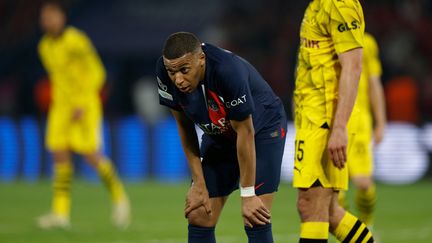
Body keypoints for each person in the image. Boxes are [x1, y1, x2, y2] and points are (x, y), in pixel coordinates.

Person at [156, 32, 287, 243]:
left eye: (184, 70)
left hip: (262, 130)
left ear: (201, 59)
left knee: (255, 216)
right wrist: (198, 183)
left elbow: (245, 132)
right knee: (199, 213)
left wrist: (248, 194)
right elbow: (184, 125)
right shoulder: (165, 71)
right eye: (172, 72)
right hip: (219, 133)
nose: (178, 79)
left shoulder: (227, 71)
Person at [37, 1, 130, 229]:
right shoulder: (44, 47)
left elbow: (97, 72)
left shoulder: (76, 40)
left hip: (84, 105)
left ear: (62, 17)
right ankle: (60, 213)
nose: (48, 20)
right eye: (45, 16)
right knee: (59, 154)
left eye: (52, 15)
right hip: (60, 108)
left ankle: (120, 199)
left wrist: (81, 102)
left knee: (90, 155)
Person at [293, 0, 375, 242]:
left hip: (325, 119)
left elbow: (353, 66)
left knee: (311, 206)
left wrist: (339, 128)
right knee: (329, 212)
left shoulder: (341, 5)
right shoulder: (317, 5)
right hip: (310, 117)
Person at [339, 32, 387, 229]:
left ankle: (367, 226)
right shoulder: (321, 41)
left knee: (364, 183)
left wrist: (381, 122)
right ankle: (350, 232)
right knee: (334, 191)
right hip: (332, 121)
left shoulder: (366, 42)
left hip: (360, 122)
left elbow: (374, 84)